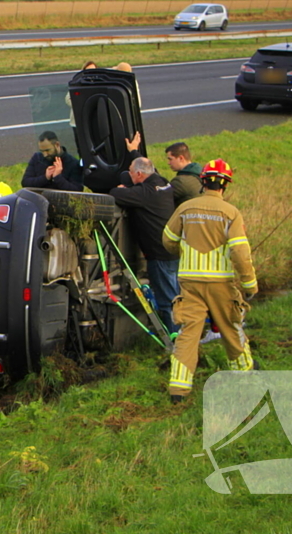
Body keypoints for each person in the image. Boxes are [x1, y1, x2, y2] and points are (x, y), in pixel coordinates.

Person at [162, 159, 258, 403]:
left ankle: (178, 389)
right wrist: (249, 284)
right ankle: (244, 372)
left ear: (203, 181)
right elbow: (240, 252)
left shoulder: (185, 208)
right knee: (231, 327)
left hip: (189, 282)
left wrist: (183, 252)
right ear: (225, 185)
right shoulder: (230, 213)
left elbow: (168, 239)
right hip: (221, 283)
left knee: (188, 333)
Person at [109, 157, 179, 335]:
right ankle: (182, 333)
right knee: (176, 294)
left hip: (159, 254)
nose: (130, 175)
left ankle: (175, 338)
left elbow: (115, 193)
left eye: (131, 172)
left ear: (139, 174)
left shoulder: (144, 193)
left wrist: (122, 189)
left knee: (167, 299)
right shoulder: (163, 183)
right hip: (172, 250)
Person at [165, 142, 204, 207]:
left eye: (170, 159)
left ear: (181, 158)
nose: (168, 163)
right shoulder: (201, 173)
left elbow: (161, 199)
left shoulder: (180, 182)